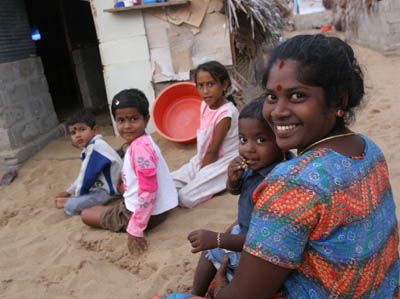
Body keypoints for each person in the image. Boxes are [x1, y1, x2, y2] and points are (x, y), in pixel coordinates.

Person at [160, 34, 400, 298]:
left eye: (297, 96)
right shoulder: (368, 148)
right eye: (271, 97)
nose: (277, 111)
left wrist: (221, 290)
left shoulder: (293, 183)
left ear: (338, 101)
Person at [187, 98, 290, 295]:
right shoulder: (255, 164)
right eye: (243, 140)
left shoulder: (276, 183)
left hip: (259, 248)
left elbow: (260, 242)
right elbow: (237, 192)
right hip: (244, 229)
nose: (249, 148)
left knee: (210, 251)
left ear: (282, 141)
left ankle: (198, 294)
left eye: (260, 140)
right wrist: (233, 181)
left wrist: (217, 239)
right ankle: (196, 294)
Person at [81, 89, 178, 254]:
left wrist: (135, 229)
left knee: (86, 214)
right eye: (121, 120)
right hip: (160, 208)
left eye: (134, 119)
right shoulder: (142, 141)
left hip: (145, 214)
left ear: (146, 119)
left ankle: (121, 218)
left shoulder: (140, 150)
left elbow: (148, 191)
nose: (127, 126)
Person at [172, 61, 239, 208]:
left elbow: (213, 150)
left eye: (210, 84)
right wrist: (198, 167)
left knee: (185, 197)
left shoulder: (226, 114)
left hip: (222, 162)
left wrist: (201, 174)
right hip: (203, 158)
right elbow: (205, 146)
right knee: (169, 184)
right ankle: (203, 184)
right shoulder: (205, 105)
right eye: (200, 86)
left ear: (224, 84)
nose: (205, 91)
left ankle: (215, 188)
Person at [54, 109, 122, 216]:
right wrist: (69, 191)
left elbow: (87, 178)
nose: (77, 135)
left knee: (70, 208)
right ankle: (72, 200)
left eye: (82, 129)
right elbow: (83, 174)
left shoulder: (96, 148)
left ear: (94, 130)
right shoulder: (91, 147)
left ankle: (70, 202)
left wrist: (76, 197)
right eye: (73, 132)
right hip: (101, 187)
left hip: (109, 191)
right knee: (81, 196)